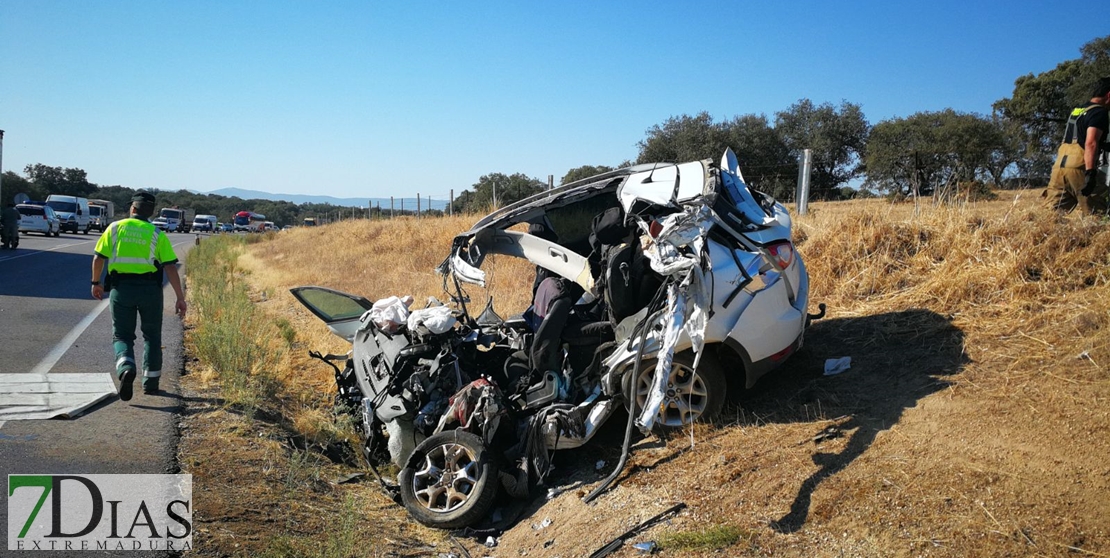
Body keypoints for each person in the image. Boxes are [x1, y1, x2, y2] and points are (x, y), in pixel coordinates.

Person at [90, 191, 187, 400]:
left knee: (122, 335)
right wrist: (180, 297)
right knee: (152, 336)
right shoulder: (156, 234)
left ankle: (126, 366)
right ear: (151, 212)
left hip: (121, 289)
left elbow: (99, 258)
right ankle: (151, 383)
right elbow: (170, 266)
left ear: (132, 208)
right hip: (150, 291)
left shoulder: (115, 228)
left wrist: (96, 282)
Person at [1043, 77, 1110, 213]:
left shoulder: (1078, 110)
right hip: (1080, 167)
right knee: (1096, 214)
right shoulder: (1099, 112)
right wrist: (1090, 173)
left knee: (1051, 216)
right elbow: (1090, 142)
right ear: (1109, 94)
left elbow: (1078, 136)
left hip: (1060, 168)